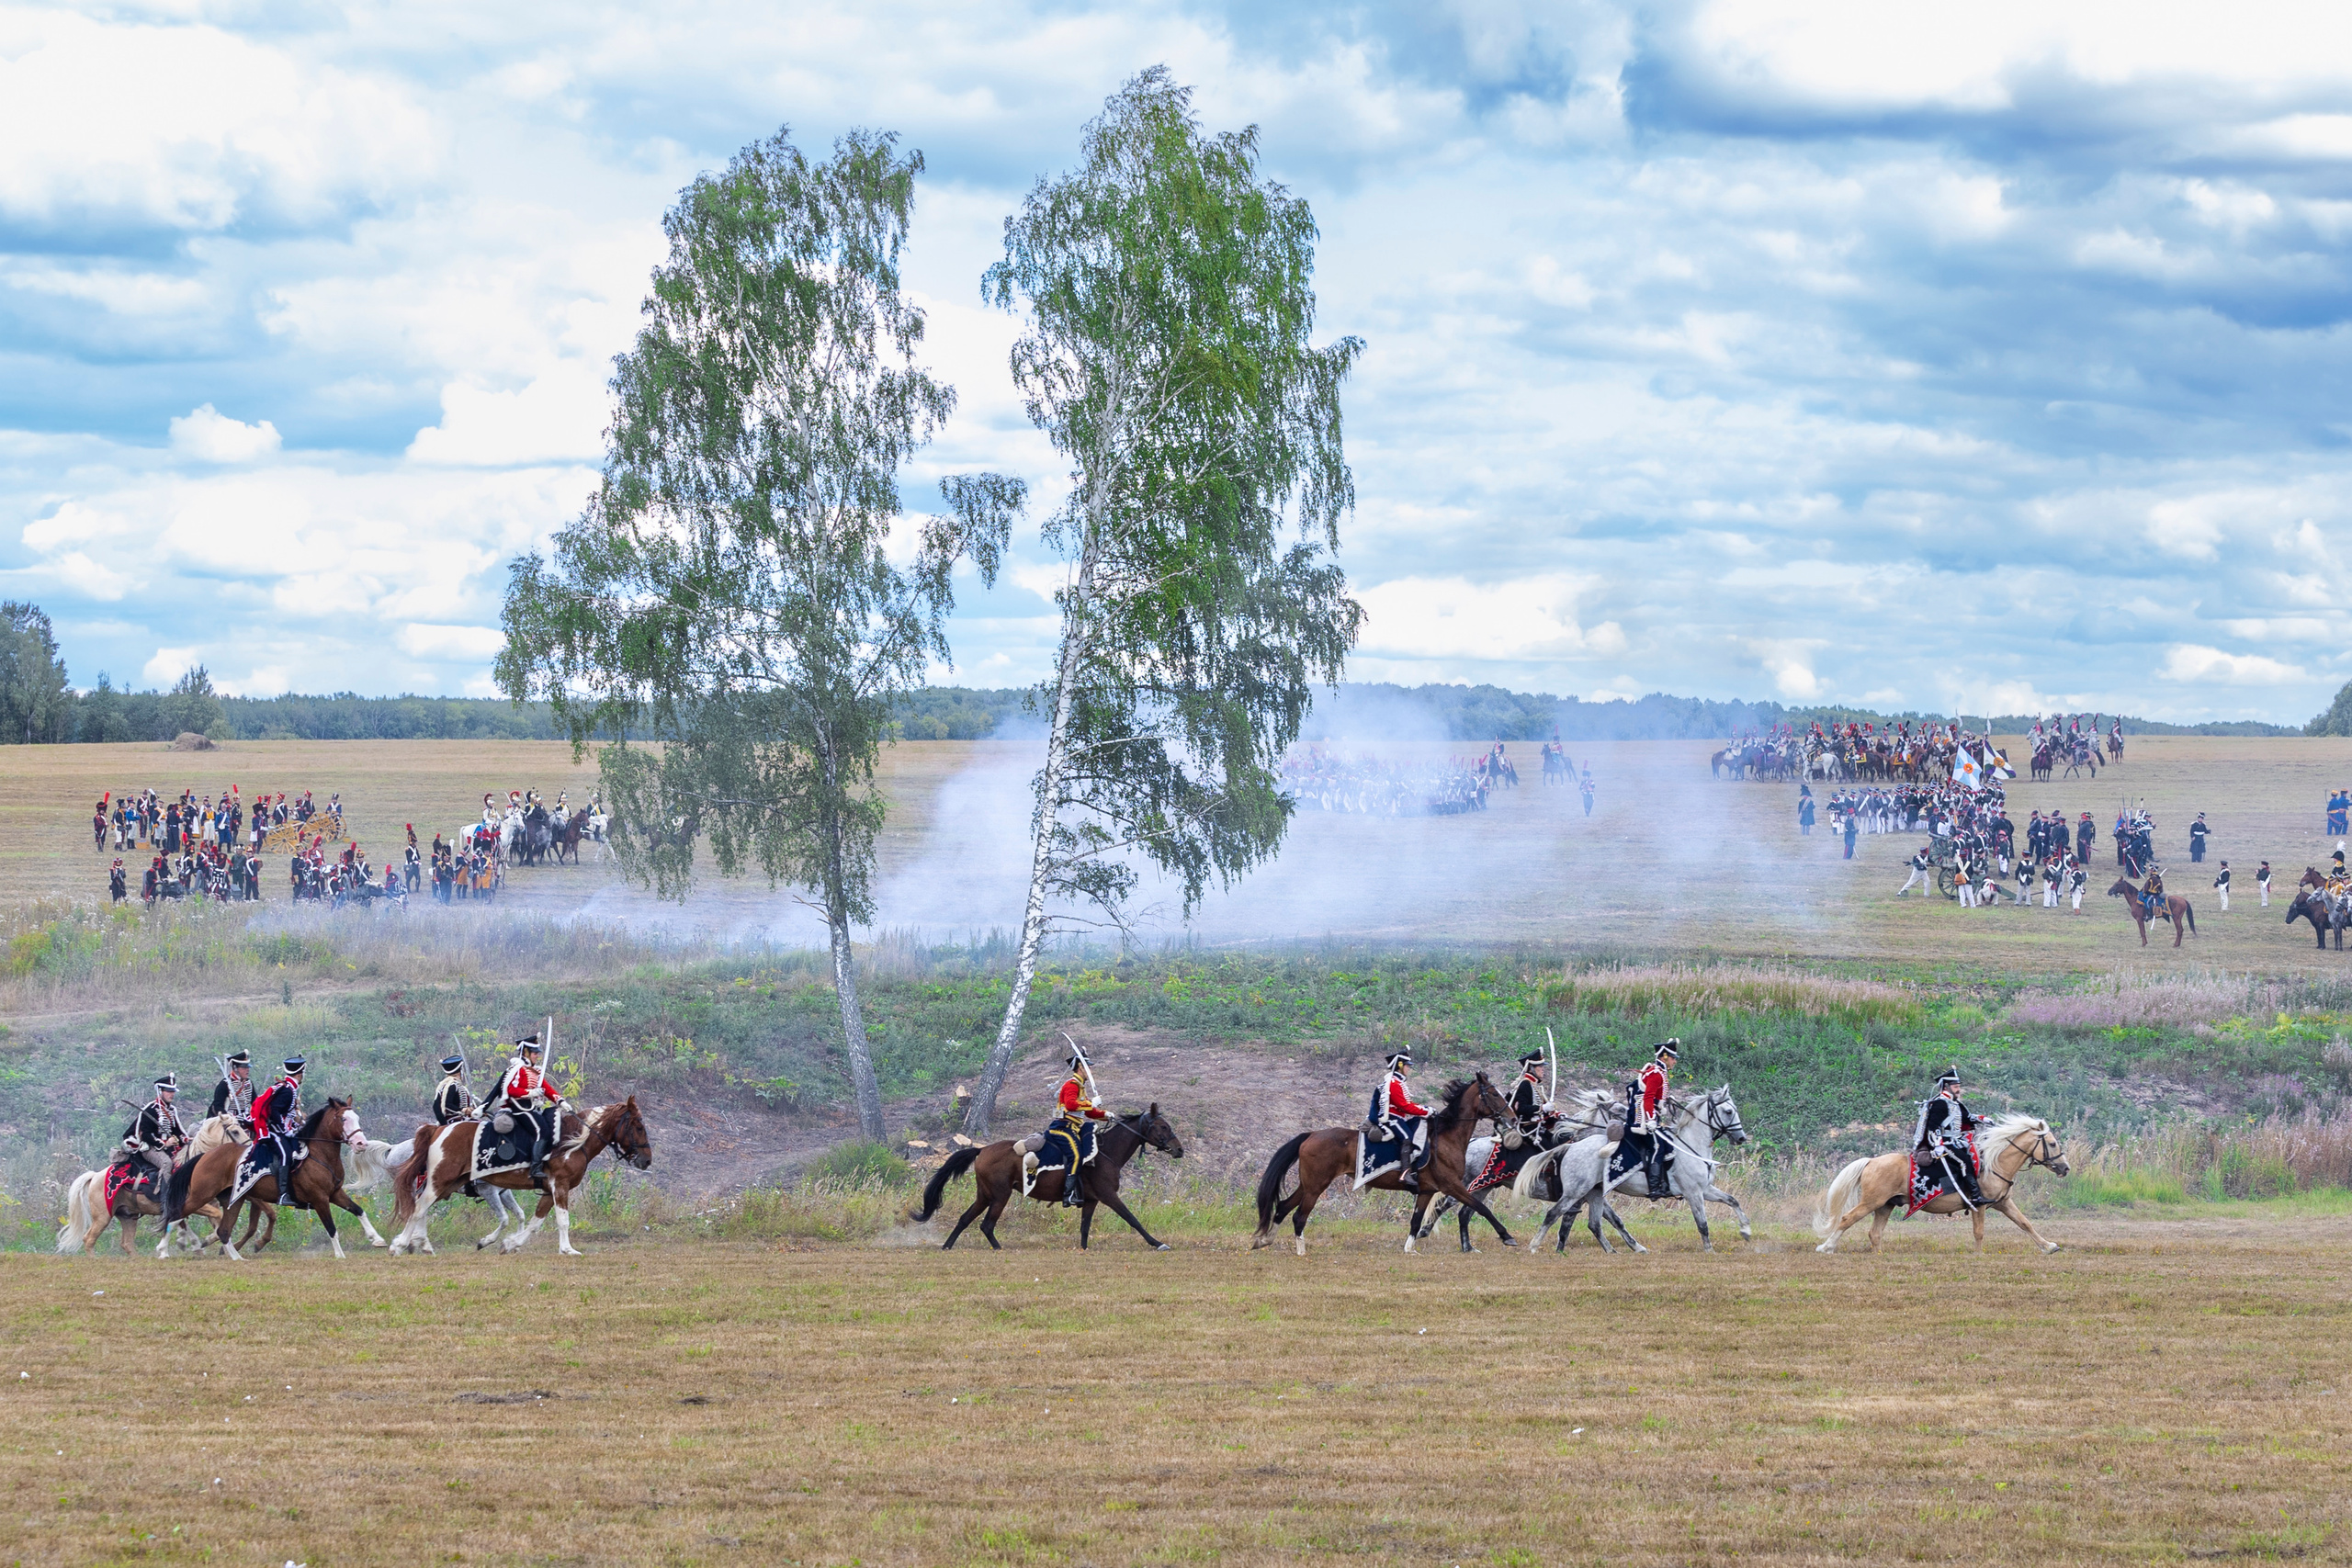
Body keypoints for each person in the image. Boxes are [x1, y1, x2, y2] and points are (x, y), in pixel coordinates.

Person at [483, 1035, 562, 1180]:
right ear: (526, 1053)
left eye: (538, 1053)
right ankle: (535, 1168)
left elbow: (547, 1089)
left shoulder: (535, 1071)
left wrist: (560, 1101)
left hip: (531, 1108)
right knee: (542, 1131)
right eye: (535, 1053)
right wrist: (530, 1093)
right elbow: (511, 1090)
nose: (537, 1056)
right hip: (520, 1109)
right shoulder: (517, 1069)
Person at [1044, 1044, 1108, 1206]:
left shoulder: (1080, 1087)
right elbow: (1071, 1105)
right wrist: (1091, 1102)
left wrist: (1106, 1115)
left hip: (1073, 1127)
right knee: (1076, 1156)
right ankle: (1068, 1194)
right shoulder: (1071, 1085)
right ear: (1081, 1068)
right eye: (1088, 1068)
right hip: (1062, 1128)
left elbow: (1089, 1112)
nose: (1091, 1071)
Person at [1913, 1066, 1984, 1210]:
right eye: (1955, 1087)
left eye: (1958, 1086)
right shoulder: (1940, 1103)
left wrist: (1982, 1119)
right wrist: (1938, 1145)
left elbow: (1966, 1117)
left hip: (1956, 1141)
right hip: (1944, 1143)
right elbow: (1933, 1127)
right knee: (1964, 1162)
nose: (1958, 1090)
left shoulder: (1954, 1102)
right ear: (1946, 1087)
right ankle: (1975, 1195)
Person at [1619, 1040, 1678, 1193]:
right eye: (1673, 1058)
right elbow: (1648, 1098)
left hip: (1647, 1115)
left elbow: (1655, 1096)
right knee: (1657, 1146)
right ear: (1665, 1057)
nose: (1675, 1061)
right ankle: (1654, 1187)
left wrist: (1665, 1101)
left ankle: (1664, 1183)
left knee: (1665, 1143)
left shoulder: (1659, 1072)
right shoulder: (1656, 1073)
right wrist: (1651, 1119)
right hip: (1642, 1119)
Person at [1373, 1048, 1432, 1191]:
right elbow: (1404, 1106)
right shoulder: (1394, 1083)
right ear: (1399, 1066)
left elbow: (1408, 1104)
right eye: (1406, 1066)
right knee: (1407, 1138)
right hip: (1391, 1118)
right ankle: (1405, 1173)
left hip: (1398, 1118)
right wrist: (1426, 1111)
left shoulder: (1398, 1082)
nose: (1408, 1069)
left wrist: (1424, 1108)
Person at [119, 1073, 187, 1196]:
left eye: (173, 1091)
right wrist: (164, 1143)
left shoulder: (172, 1110)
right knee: (166, 1163)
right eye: (168, 1091)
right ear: (160, 1091)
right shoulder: (150, 1109)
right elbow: (145, 1134)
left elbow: (178, 1130)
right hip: (150, 1147)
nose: (172, 1094)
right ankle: (166, 1198)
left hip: (169, 1147)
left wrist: (187, 1139)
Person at [247, 1055, 308, 1192]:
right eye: (302, 1074)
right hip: (274, 1130)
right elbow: (275, 1110)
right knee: (285, 1154)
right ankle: (283, 1192)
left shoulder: (290, 1089)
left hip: (282, 1128)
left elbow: (288, 1113)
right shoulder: (287, 1091)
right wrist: (285, 1130)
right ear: (299, 1075)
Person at [209, 1051, 254, 1125]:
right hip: (229, 1120)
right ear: (235, 1068)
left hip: (246, 1118)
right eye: (244, 1067)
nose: (247, 1069)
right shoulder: (224, 1084)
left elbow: (255, 1102)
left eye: (248, 1067)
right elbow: (218, 1106)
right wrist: (229, 1118)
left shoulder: (248, 1083)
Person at [433, 1053, 474, 1125]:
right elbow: (447, 1104)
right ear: (460, 1072)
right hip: (455, 1121)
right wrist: (462, 1110)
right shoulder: (452, 1085)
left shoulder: (444, 1085)